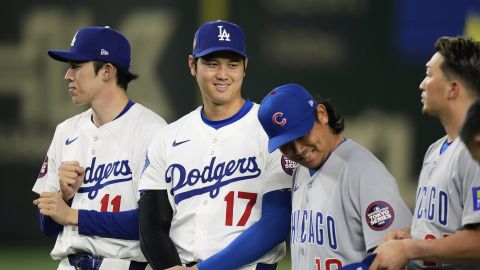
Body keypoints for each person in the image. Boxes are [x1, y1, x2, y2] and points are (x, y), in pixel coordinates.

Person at [138, 20, 293, 270]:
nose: (223, 74)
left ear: (245, 67)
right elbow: (151, 226)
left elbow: (276, 223)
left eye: (232, 64)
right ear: (192, 65)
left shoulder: (270, 132)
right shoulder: (167, 138)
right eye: (212, 64)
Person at [32, 26, 167, 270]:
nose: (68, 75)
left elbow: (154, 224)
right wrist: (65, 195)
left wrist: (74, 216)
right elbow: (48, 226)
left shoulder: (152, 131)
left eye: (76, 66)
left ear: (106, 71)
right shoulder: (66, 131)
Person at [257, 83, 413, 270]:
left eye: (302, 134)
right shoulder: (301, 170)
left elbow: (396, 256)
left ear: (321, 114)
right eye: (286, 144)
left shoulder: (365, 172)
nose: (298, 149)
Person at [370, 36, 480, 270]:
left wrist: (410, 249)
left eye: (429, 74)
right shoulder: (436, 150)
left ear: (453, 89)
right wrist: (412, 236)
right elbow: (451, 229)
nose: (422, 84)